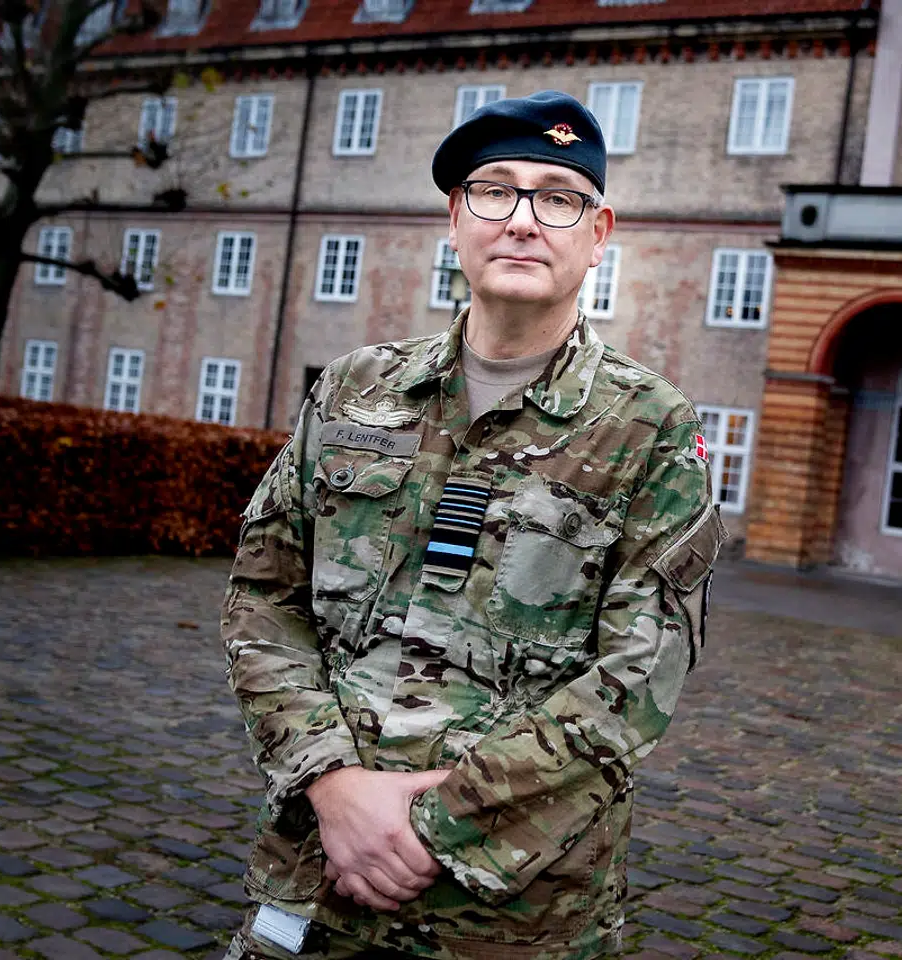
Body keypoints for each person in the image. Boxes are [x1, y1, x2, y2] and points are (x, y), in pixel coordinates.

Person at [221, 89, 727, 960]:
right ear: (455, 220)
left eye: (557, 197)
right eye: (494, 191)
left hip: (512, 914)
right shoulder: (352, 391)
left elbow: (635, 682)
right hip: (314, 866)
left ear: (597, 234)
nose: (523, 220)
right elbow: (264, 597)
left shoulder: (650, 427)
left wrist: (435, 826)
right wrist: (333, 783)